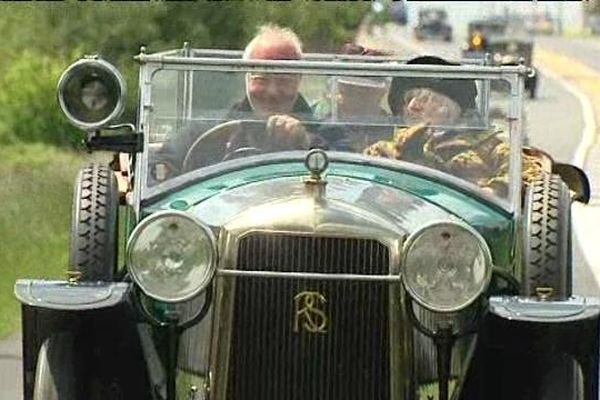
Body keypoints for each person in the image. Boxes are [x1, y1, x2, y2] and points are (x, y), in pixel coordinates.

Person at [155, 24, 322, 179]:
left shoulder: (328, 134)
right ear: (246, 77)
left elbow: (345, 177)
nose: (272, 91)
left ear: (299, 80)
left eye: (284, 79)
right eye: (261, 78)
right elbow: (159, 172)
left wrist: (307, 144)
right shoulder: (205, 134)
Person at [364, 55, 545, 196]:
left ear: (451, 107)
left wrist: (491, 193)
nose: (412, 106)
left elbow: (531, 175)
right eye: (407, 99)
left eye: (423, 98)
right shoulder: (384, 149)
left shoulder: (489, 146)